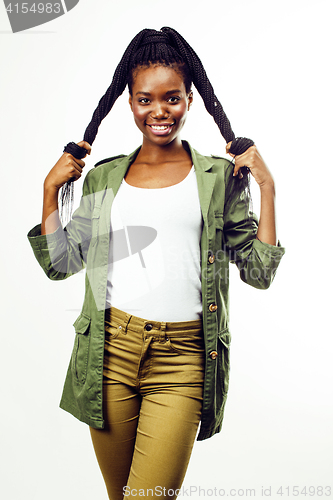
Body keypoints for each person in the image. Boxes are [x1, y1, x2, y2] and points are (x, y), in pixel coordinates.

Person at [28, 27, 285, 500]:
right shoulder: (105, 176)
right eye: (145, 100)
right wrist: (49, 192)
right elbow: (61, 263)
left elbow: (258, 271)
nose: (159, 112)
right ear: (129, 102)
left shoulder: (217, 178)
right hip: (109, 354)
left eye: (172, 98)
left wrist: (267, 188)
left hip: (184, 359)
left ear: (190, 99)